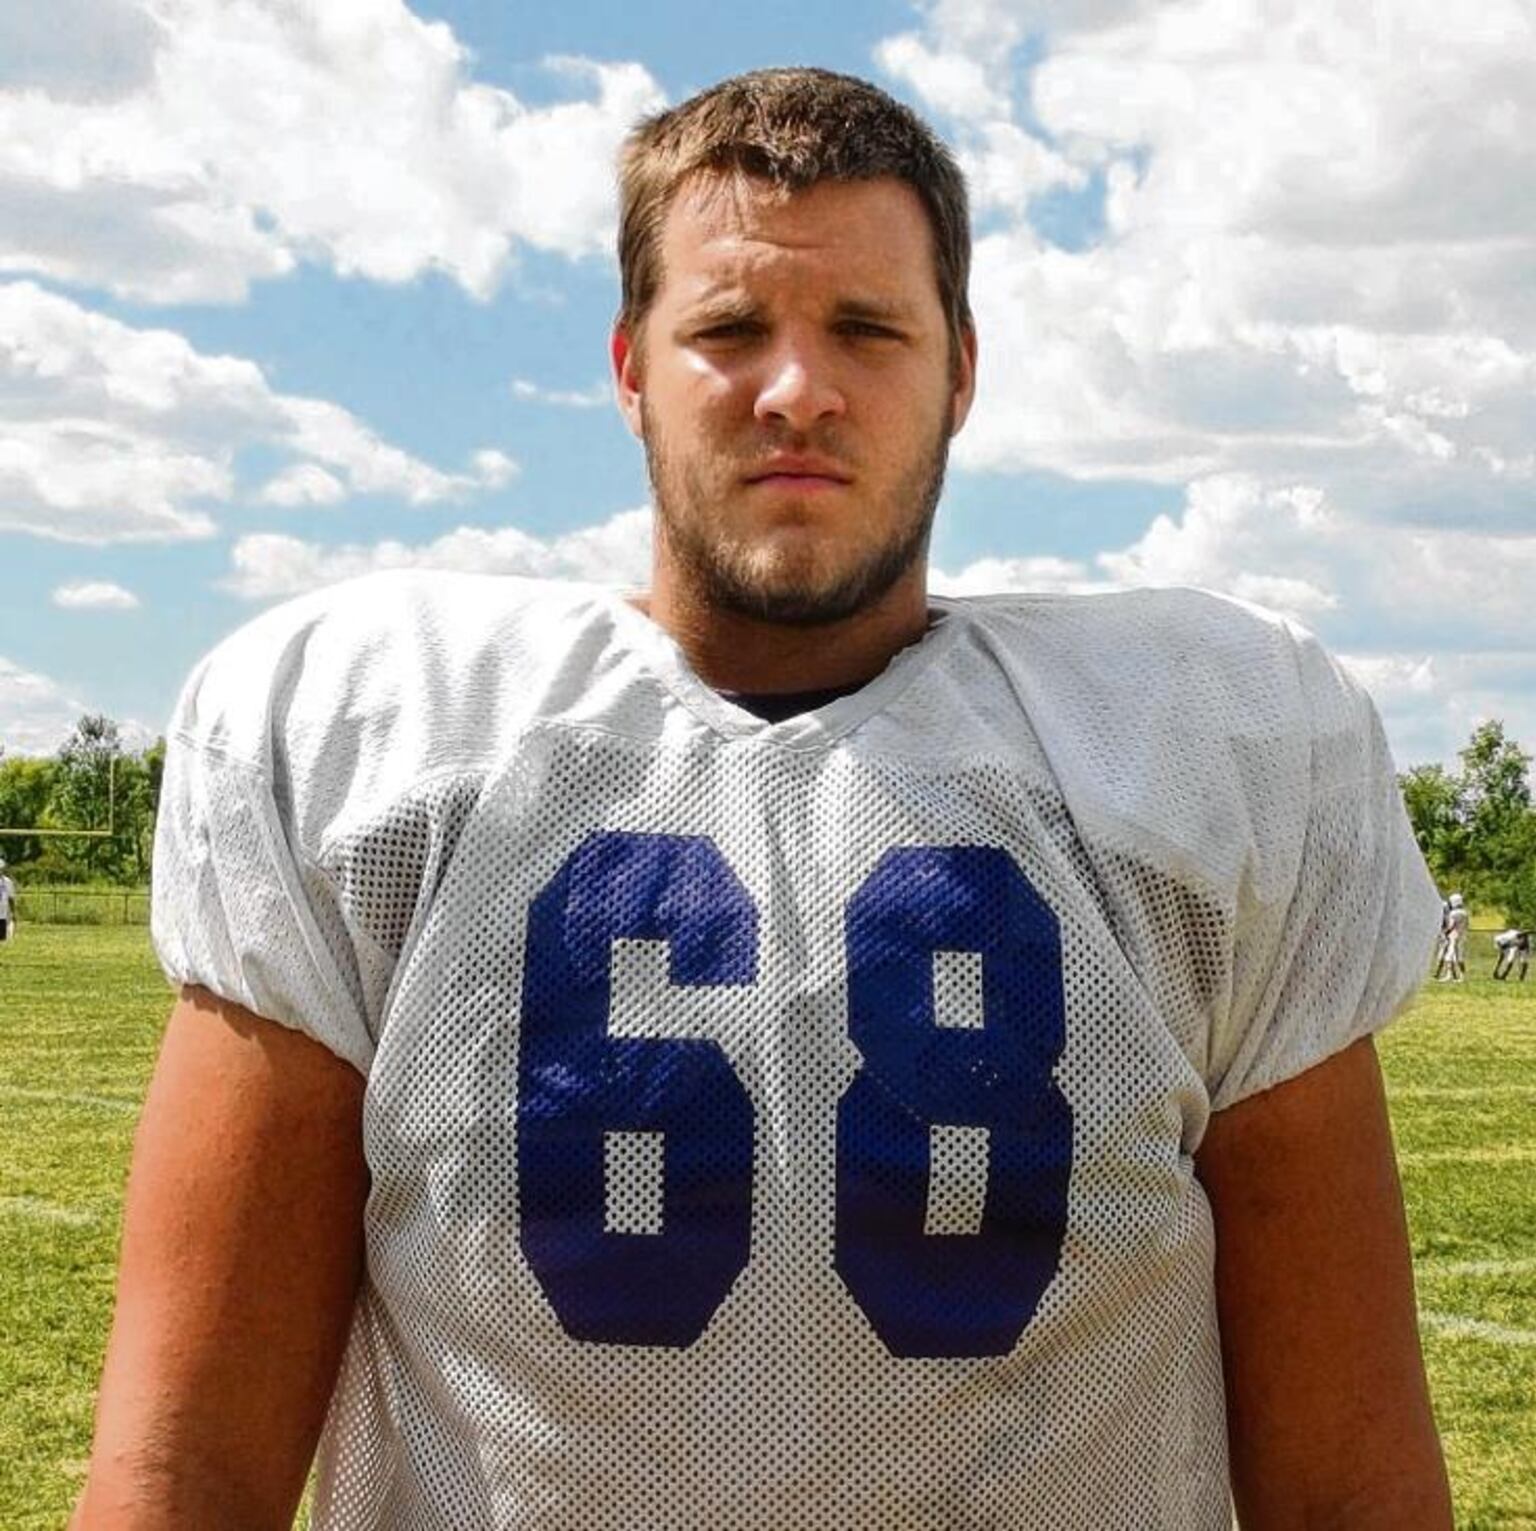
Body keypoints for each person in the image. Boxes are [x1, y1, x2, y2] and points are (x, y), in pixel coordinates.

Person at [74, 68, 1452, 1530]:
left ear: (961, 371)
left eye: (867, 327)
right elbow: (183, 1464)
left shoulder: (1202, 740)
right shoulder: (375, 737)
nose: (799, 386)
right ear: (629, 368)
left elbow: (1349, 1473)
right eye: (729, 330)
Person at [1439, 892, 1469, 982]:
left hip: (1454, 936)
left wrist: (1446, 932)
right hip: (1462, 935)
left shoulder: (1453, 913)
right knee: (1459, 957)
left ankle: (1450, 975)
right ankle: (1461, 976)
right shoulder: (1465, 913)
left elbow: (1451, 925)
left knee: (1449, 956)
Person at [0, 857, 15, 943]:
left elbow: (11, 898)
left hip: (3, 913)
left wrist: (13, 911)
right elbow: (11, 898)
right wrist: (13, 911)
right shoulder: (7, 881)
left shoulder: (7, 882)